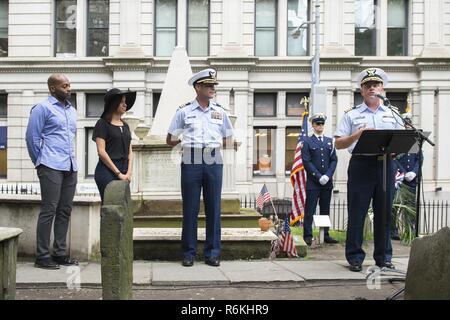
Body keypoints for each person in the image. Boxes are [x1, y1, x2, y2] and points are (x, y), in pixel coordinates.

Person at [334, 67, 403, 272]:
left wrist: (395, 151)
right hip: (361, 165)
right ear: (362, 91)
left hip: (385, 165)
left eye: (376, 85)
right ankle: (355, 257)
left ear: (383, 89)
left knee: (384, 213)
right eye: (367, 85)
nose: (372, 88)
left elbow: (401, 140)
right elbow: (338, 144)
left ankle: (384, 258)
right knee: (358, 212)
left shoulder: (393, 113)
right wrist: (358, 135)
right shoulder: (352, 115)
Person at [166, 68, 234, 267]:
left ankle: (212, 253)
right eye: (208, 85)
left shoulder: (220, 112)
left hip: (213, 158)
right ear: (198, 87)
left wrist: (217, 146)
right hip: (191, 157)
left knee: (214, 207)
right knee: (190, 208)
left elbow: (229, 138)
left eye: (213, 85)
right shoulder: (184, 111)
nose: (213, 88)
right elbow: (170, 138)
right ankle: (188, 253)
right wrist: (185, 147)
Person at [25, 74, 79, 269]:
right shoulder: (42, 109)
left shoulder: (72, 111)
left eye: (69, 85)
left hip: (70, 166)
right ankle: (42, 256)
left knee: (65, 210)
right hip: (50, 165)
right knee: (49, 210)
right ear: (52, 88)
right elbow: (32, 137)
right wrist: (40, 162)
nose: (69, 88)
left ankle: (60, 253)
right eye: (65, 86)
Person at [92, 88, 136, 203]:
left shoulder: (125, 125)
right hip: (107, 170)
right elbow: (101, 152)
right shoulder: (102, 124)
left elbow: (130, 152)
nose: (125, 105)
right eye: (122, 102)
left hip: (125, 169)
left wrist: (128, 173)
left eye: (125, 102)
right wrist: (118, 173)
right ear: (113, 104)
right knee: (110, 207)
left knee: (124, 207)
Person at [301, 113, 338, 246]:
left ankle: (325, 234)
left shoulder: (330, 141)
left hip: (327, 182)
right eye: (317, 124)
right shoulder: (307, 142)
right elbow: (306, 161)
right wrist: (318, 176)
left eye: (322, 123)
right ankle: (308, 235)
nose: (320, 126)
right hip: (313, 182)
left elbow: (334, 160)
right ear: (313, 125)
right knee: (310, 209)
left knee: (325, 208)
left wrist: (328, 175)